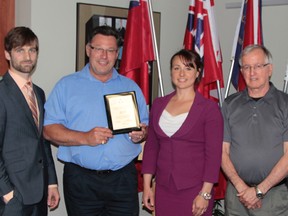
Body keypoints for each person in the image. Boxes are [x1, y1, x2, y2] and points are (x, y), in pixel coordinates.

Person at [43, 25, 149, 216]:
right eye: (98, 49)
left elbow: (144, 125)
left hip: (123, 179)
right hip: (81, 181)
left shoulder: (131, 87)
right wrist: (85, 138)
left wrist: (141, 134)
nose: (104, 56)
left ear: (117, 53)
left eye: (110, 50)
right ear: (88, 50)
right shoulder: (66, 86)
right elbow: (49, 130)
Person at [142, 49, 223, 216]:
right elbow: (151, 148)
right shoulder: (158, 104)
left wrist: (205, 193)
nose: (181, 73)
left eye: (188, 68)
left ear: (198, 72)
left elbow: (214, 155)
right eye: (176, 68)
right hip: (163, 189)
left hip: (195, 190)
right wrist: (147, 186)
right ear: (171, 71)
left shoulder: (209, 109)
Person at [221, 44, 288, 216]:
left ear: (269, 69)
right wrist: (242, 187)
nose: (252, 72)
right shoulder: (229, 104)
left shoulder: (285, 104)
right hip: (237, 194)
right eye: (246, 67)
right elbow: (222, 151)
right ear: (241, 71)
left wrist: (259, 190)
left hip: (273, 196)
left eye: (258, 66)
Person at [0, 26, 60, 216]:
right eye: (20, 50)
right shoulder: (1, 93)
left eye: (32, 50)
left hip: (40, 193)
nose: (27, 56)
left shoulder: (39, 93)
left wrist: (51, 182)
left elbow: (43, 141)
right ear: (7, 54)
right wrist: (7, 193)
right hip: (12, 198)